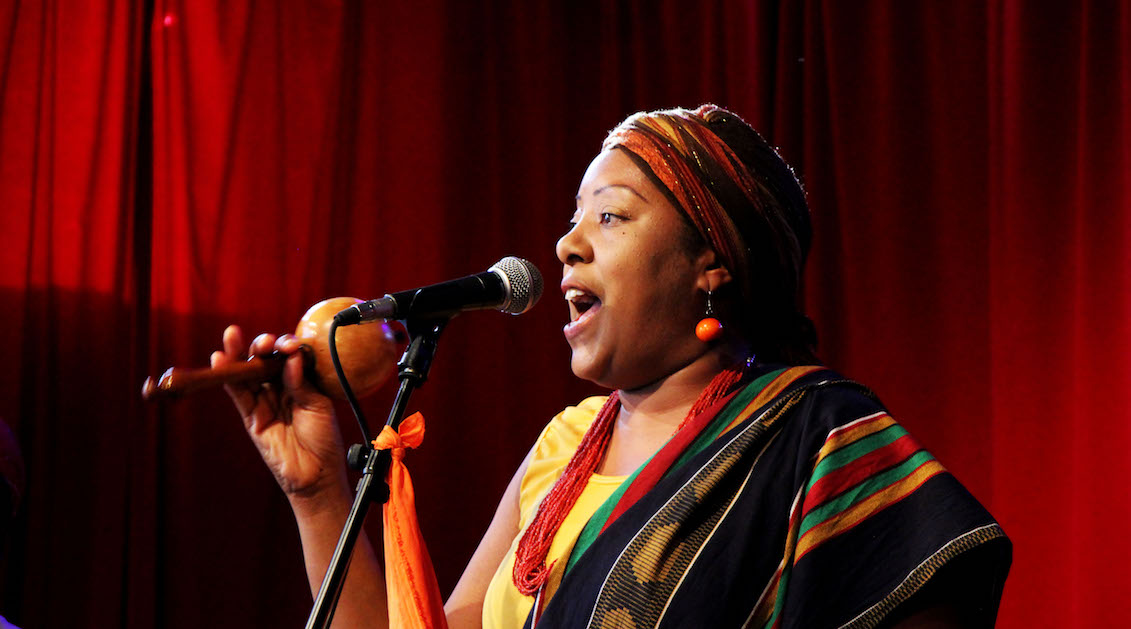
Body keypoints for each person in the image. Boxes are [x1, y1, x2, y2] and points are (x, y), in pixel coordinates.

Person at [213, 105, 1010, 628]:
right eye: (572, 219)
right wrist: (316, 491)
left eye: (611, 215)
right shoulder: (563, 446)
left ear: (712, 259)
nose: (567, 245)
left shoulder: (818, 436)